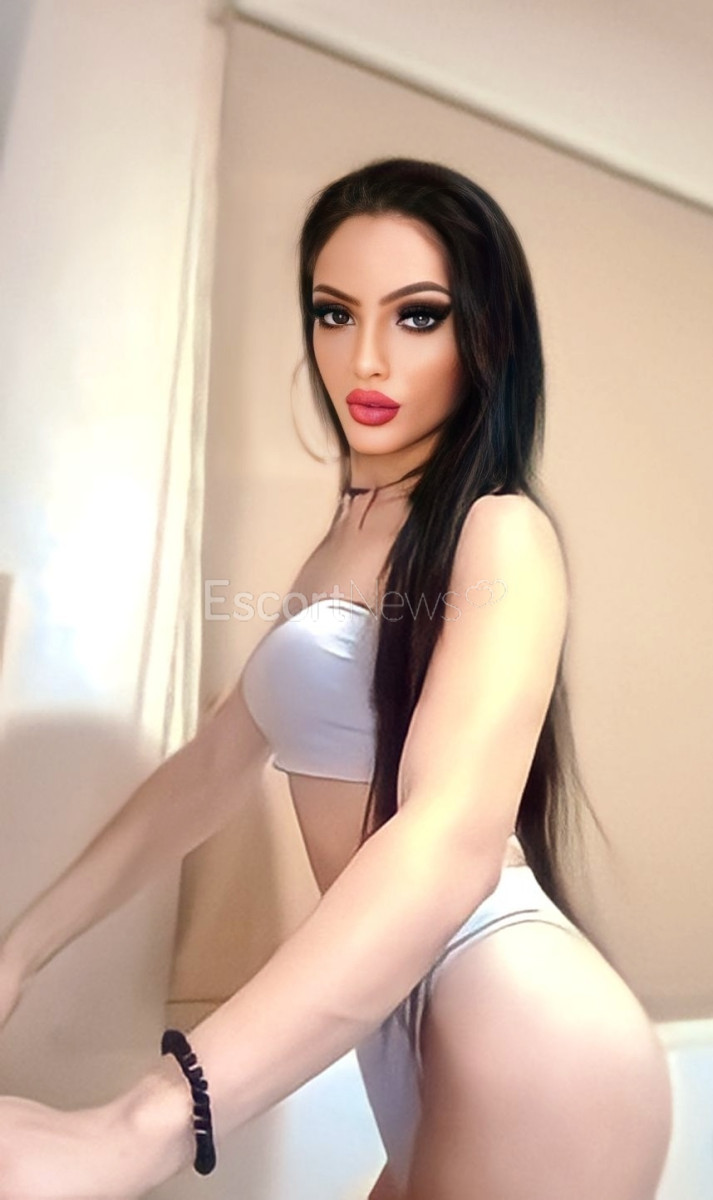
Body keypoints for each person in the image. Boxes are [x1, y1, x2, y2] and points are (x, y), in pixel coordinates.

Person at [0, 157, 672, 1199]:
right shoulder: (345, 537)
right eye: (333, 311)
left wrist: (146, 1121)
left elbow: (448, 840)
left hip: (515, 1017)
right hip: (395, 1022)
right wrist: (20, 949)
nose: (363, 358)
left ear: (484, 334)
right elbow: (208, 771)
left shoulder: (500, 532)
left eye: (416, 316)